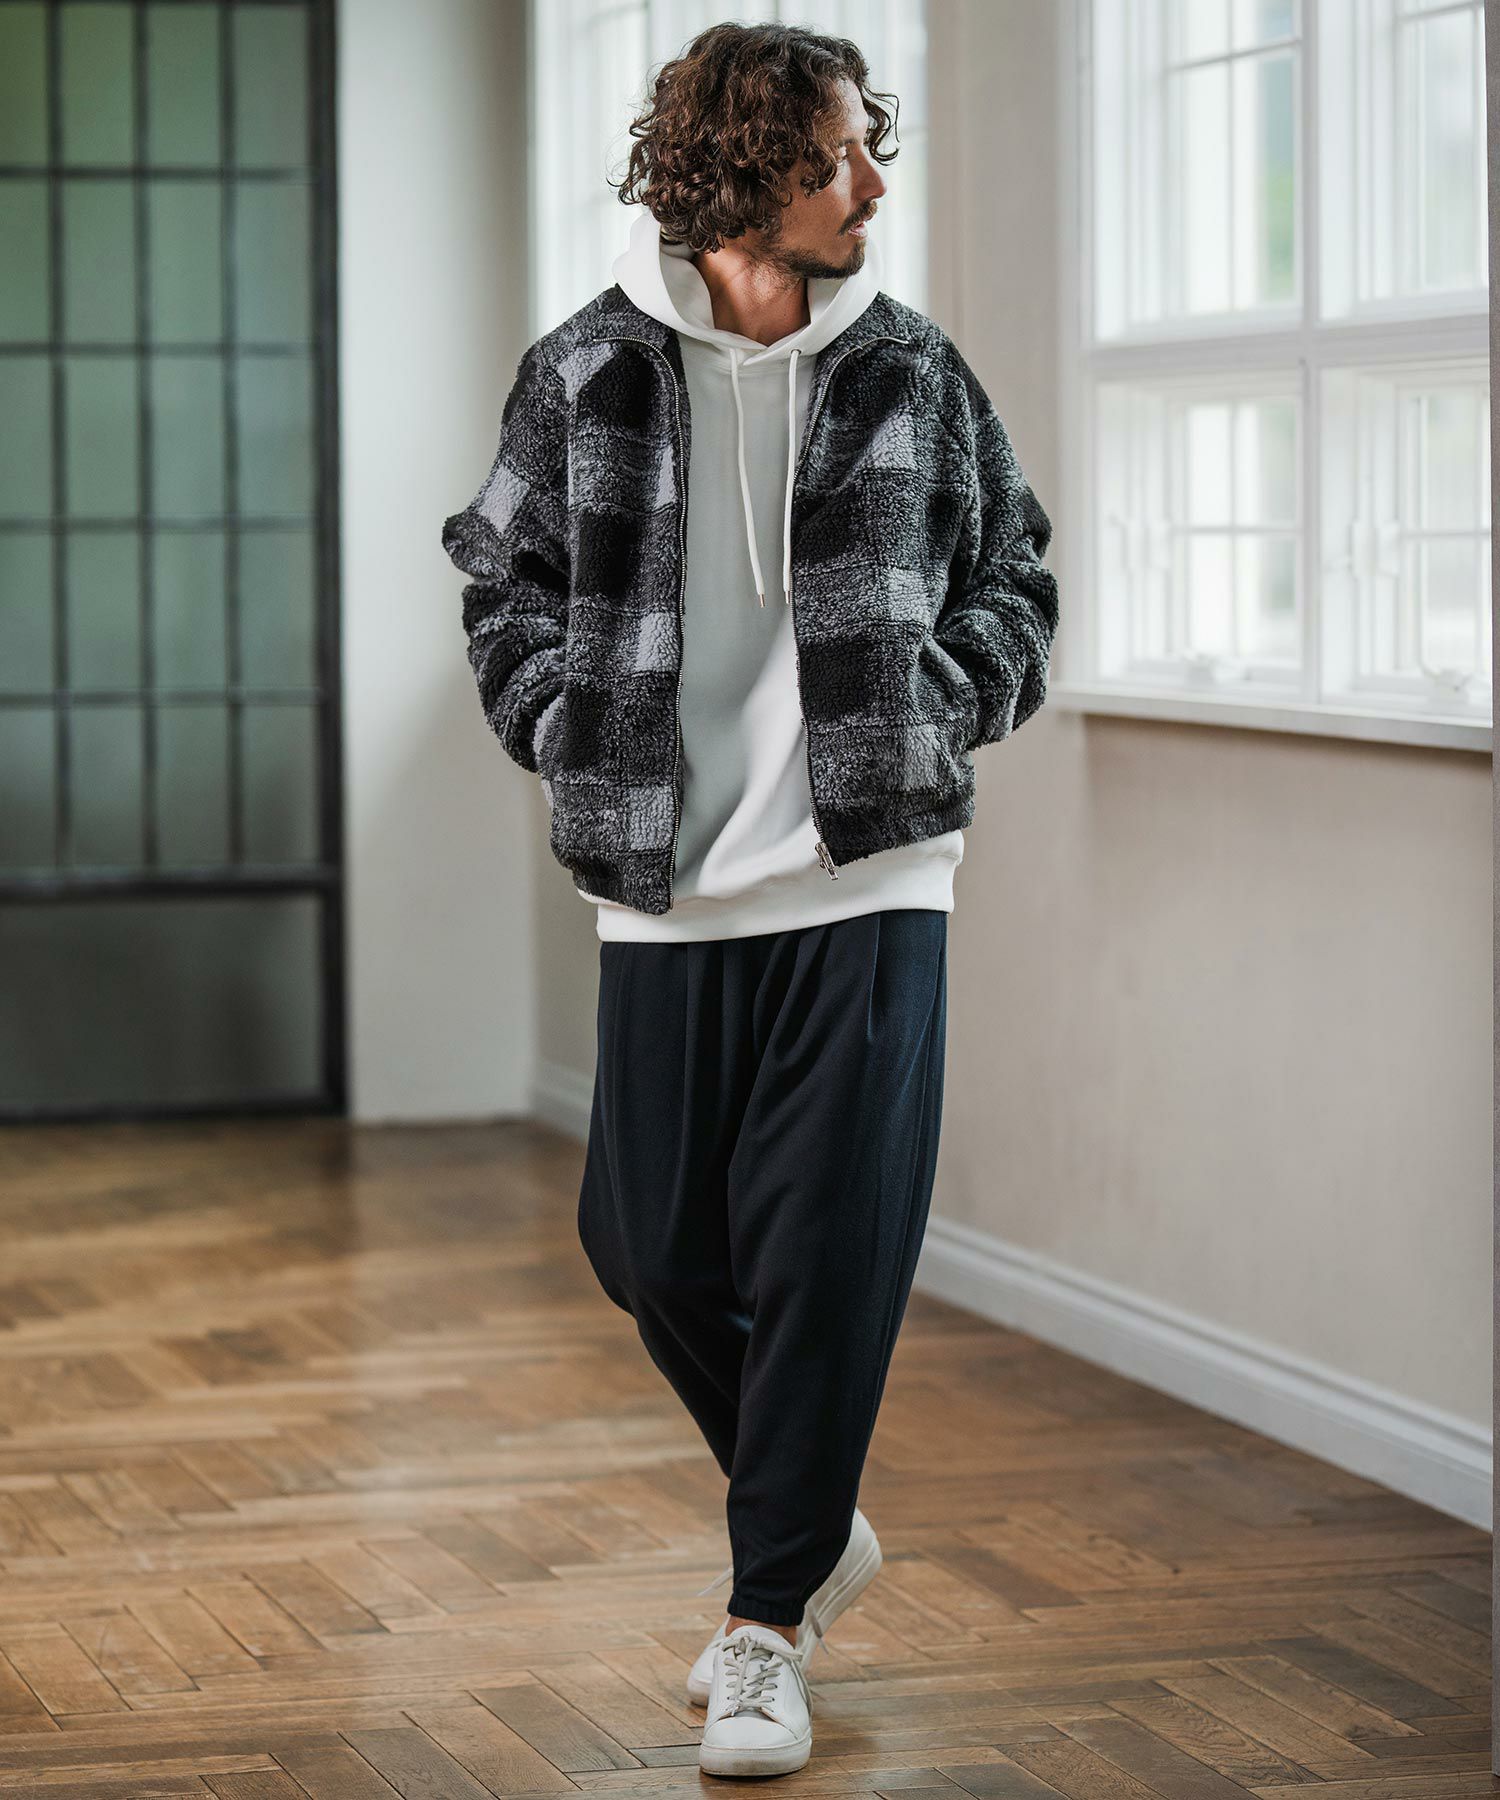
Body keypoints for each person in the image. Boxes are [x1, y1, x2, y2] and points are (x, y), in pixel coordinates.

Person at [441, 20, 1059, 1780]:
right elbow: (498, 582)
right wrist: (561, 725)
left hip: (873, 876)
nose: (872, 184)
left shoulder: (913, 372)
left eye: (872, 149)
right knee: (643, 1246)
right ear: (745, 164)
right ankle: (814, 1521)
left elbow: (1017, 576)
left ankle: (764, 1624)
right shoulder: (586, 373)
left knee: (825, 1258)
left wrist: (940, 704)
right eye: (839, 153)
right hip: (664, 878)